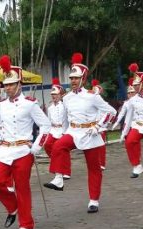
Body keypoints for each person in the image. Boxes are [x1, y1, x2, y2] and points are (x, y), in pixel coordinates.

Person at [0, 55, 52, 229]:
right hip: (4, 150)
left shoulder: (30, 104)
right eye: (6, 85)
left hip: (23, 150)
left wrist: (37, 146)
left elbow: (45, 125)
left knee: (22, 187)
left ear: (19, 84)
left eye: (12, 84)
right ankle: (12, 207)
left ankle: (26, 224)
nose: (8, 88)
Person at [44, 53, 116, 213]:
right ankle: (59, 179)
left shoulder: (92, 96)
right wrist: (62, 132)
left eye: (76, 78)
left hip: (90, 134)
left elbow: (111, 112)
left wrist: (98, 126)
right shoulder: (67, 98)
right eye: (71, 78)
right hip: (74, 131)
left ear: (83, 79)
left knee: (94, 168)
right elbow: (64, 119)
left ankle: (94, 200)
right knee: (58, 147)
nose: (73, 81)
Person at [44, 78, 68, 162]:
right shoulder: (50, 108)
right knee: (47, 144)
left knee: (60, 148)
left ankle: (60, 163)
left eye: (56, 94)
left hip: (62, 129)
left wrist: (65, 132)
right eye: (52, 94)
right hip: (53, 130)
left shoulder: (64, 106)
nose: (54, 96)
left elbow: (67, 120)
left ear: (60, 95)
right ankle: (55, 160)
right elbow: (49, 121)